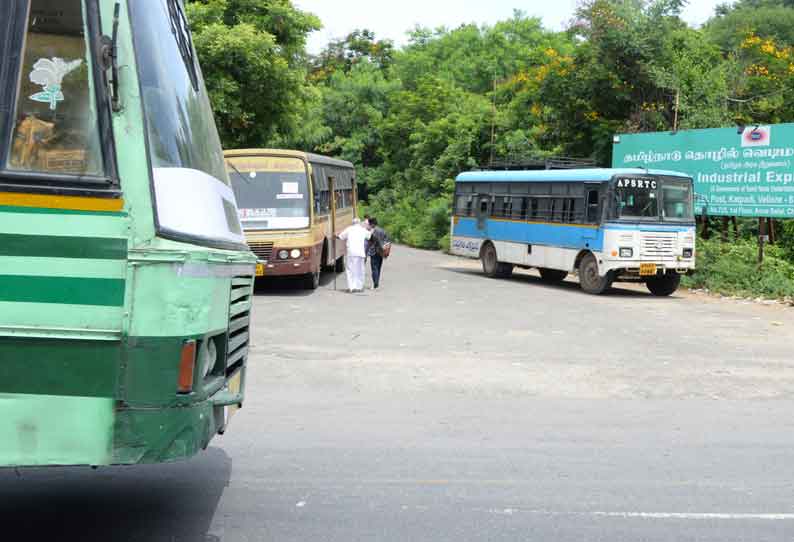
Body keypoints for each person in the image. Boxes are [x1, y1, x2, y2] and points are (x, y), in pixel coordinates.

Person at [337, 218, 371, 293]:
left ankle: (351, 287)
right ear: (359, 223)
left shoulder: (349, 229)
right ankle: (359, 287)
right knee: (360, 270)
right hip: (360, 253)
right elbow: (369, 236)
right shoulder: (362, 229)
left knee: (350, 270)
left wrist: (335, 236)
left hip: (351, 253)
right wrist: (367, 227)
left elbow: (340, 236)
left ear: (352, 223)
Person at [367, 217, 391, 289]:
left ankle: (375, 284)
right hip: (381, 253)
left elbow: (371, 241)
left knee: (374, 268)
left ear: (372, 224)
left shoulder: (373, 231)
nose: (369, 226)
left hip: (374, 252)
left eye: (370, 224)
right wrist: (385, 251)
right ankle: (376, 282)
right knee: (378, 268)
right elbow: (387, 241)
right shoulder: (383, 231)